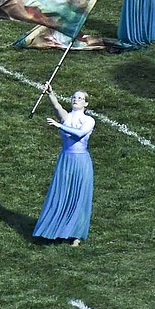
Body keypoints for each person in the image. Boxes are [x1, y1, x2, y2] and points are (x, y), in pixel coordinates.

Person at [33, 85, 94, 246]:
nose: (76, 99)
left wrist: (59, 125)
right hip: (65, 159)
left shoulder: (89, 120)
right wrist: (50, 93)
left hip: (81, 161)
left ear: (86, 104)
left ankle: (77, 235)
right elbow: (57, 106)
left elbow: (80, 134)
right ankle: (60, 229)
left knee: (78, 195)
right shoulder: (67, 117)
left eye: (80, 98)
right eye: (74, 97)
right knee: (63, 193)